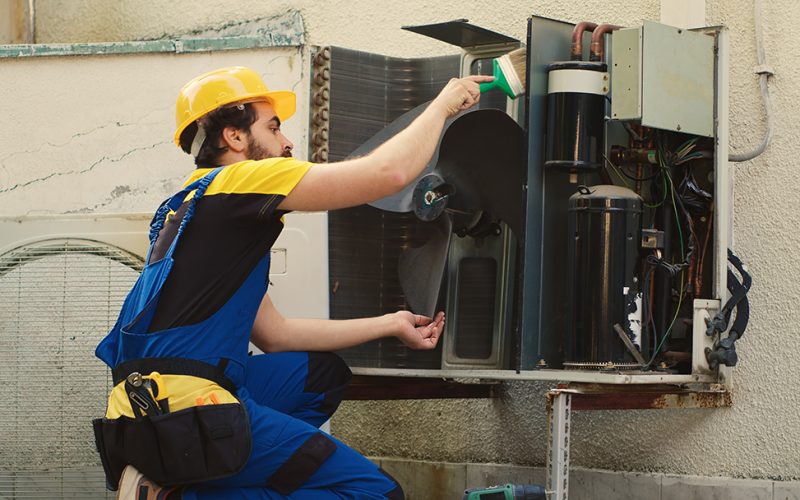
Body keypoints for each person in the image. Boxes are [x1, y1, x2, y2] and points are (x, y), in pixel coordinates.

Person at [94, 66, 490, 499]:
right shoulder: (242, 180)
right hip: (193, 409)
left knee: (319, 375)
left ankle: (202, 481)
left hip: (139, 409)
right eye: (274, 126)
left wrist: (390, 323)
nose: (286, 143)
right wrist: (445, 104)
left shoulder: (184, 207)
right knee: (377, 493)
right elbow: (390, 174)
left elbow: (276, 336)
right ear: (235, 138)